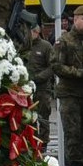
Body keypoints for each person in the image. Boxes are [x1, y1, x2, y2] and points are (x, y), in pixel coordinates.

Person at [52, 6, 83, 166]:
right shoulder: (64, 41)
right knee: (73, 136)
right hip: (70, 94)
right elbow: (57, 65)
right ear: (75, 19)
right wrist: (79, 73)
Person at [23, 22, 55, 150]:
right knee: (29, 117)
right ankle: (31, 141)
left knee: (43, 116)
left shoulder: (45, 46)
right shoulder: (24, 46)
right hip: (26, 87)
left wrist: (40, 77)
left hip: (42, 88)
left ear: (37, 32)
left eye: (32, 32)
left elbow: (52, 66)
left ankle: (43, 143)